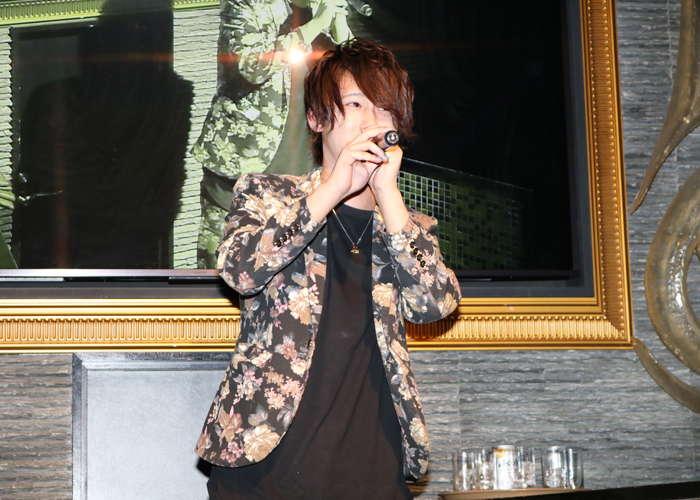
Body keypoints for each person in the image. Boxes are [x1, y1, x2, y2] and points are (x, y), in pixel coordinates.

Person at [196, 38, 461, 499]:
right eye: (356, 103)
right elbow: (239, 270)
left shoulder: (407, 226)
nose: (372, 120)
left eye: (385, 108)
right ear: (318, 119)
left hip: (373, 470)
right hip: (265, 469)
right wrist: (334, 187)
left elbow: (435, 304)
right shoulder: (267, 195)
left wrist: (388, 194)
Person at [192, 0, 353, 268]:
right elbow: (249, 66)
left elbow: (353, 81)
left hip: (304, 173)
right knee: (225, 264)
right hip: (242, 167)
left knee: (294, 270)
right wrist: (314, 26)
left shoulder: (321, 8)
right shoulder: (246, 4)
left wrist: (340, 31)